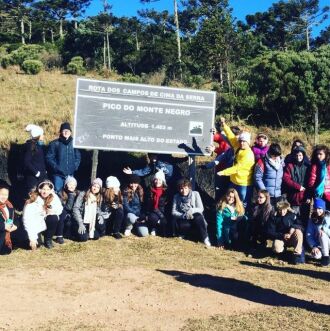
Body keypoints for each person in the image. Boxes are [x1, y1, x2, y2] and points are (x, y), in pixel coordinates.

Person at [217, 117, 255, 210]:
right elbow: (231, 136)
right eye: (241, 141)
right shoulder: (238, 146)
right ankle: (231, 221)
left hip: (243, 184)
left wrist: (223, 172)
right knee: (231, 203)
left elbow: (237, 168)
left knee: (243, 204)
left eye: (244, 141)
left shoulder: (248, 154)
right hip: (233, 181)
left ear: (248, 142)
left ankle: (244, 222)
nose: (242, 143)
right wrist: (224, 125)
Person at [23, 180, 63, 249]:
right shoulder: (33, 200)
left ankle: (48, 239)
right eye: (43, 189)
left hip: (44, 221)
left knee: (54, 218)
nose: (45, 192)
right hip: (34, 224)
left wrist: (51, 211)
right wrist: (32, 238)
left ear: (51, 190)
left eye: (48, 189)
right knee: (35, 245)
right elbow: (27, 219)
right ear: (39, 189)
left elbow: (60, 209)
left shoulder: (53, 197)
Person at [204, 126, 240, 201]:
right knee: (219, 190)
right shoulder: (224, 138)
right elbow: (215, 137)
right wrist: (213, 132)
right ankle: (218, 206)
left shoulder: (238, 144)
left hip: (232, 174)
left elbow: (223, 153)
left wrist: (215, 149)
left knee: (230, 192)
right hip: (220, 169)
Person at [172, 178, 211, 247]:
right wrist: (183, 215)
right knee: (182, 224)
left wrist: (192, 210)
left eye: (186, 188)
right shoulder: (176, 196)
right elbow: (174, 211)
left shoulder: (195, 194)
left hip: (195, 217)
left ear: (189, 188)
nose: (184, 191)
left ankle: (205, 238)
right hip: (184, 218)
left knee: (198, 216)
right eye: (181, 188)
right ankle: (184, 236)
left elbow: (201, 208)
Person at [46, 122, 81, 193]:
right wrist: (56, 167)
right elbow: (49, 157)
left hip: (70, 174)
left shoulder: (74, 143)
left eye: (67, 131)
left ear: (70, 132)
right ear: (61, 132)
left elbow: (78, 156)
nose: (66, 132)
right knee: (57, 192)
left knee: (70, 192)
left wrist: (75, 166)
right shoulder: (54, 143)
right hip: (58, 175)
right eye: (64, 130)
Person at [267, 200, 305, 264]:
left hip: (292, 236)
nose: (282, 212)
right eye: (280, 210)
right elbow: (270, 232)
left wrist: (293, 227)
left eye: (284, 209)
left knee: (298, 231)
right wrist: (282, 235)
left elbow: (301, 225)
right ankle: (283, 253)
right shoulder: (273, 217)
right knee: (277, 248)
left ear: (287, 208)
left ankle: (297, 254)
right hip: (280, 237)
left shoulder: (292, 215)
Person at [283, 146, 310, 221]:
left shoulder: (307, 167)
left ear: (303, 155)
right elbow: (286, 179)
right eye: (297, 155)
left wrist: (308, 196)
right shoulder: (289, 166)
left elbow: (310, 183)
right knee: (293, 219)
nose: (298, 157)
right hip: (293, 198)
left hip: (305, 199)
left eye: (300, 155)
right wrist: (298, 187)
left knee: (304, 219)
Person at [23, 124, 47, 196]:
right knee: (33, 197)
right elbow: (26, 162)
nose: (43, 136)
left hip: (40, 176)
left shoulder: (38, 146)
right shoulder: (30, 146)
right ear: (38, 136)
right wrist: (36, 173)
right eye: (42, 134)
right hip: (33, 178)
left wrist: (44, 171)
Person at [306, 198, 330, 266]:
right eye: (316, 208)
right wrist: (314, 246)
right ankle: (323, 253)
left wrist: (324, 230)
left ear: (323, 209)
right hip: (318, 245)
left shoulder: (328, 217)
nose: (317, 211)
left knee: (322, 234)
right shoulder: (311, 220)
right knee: (316, 256)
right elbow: (309, 235)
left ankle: (326, 257)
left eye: (320, 208)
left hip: (328, 242)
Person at [145, 170, 168, 237]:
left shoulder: (166, 191)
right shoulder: (150, 190)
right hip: (154, 211)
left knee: (165, 223)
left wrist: (162, 216)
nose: (157, 181)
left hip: (163, 211)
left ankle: (161, 227)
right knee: (152, 217)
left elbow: (167, 204)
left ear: (163, 181)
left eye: (160, 180)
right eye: (156, 179)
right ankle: (153, 228)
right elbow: (148, 204)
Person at [57, 176, 79, 242]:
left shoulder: (78, 194)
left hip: (73, 212)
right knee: (63, 213)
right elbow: (67, 207)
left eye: (74, 185)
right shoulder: (60, 194)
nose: (72, 186)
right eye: (70, 184)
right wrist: (71, 195)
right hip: (64, 212)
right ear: (66, 185)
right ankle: (59, 235)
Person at [308, 145, 330, 210]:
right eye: (317, 154)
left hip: (328, 193)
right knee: (320, 214)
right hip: (319, 194)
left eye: (320, 154)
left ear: (326, 155)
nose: (318, 156)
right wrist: (316, 189)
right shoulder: (315, 166)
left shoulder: (328, 166)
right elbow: (311, 181)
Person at [0, 181, 17, 255]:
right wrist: (4, 226)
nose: (4, 197)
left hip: (7, 230)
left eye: (6, 195)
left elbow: (15, 218)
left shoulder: (9, 205)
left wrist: (15, 226)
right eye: (1, 194)